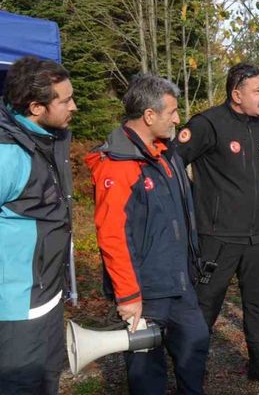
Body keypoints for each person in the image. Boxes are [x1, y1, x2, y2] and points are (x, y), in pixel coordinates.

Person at [86, 74, 209, 394]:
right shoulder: (118, 165)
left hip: (180, 285)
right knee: (146, 374)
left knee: (195, 348)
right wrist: (127, 295)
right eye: (172, 112)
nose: (178, 119)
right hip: (144, 293)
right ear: (149, 115)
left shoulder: (165, 154)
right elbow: (111, 235)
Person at [176, 63, 259, 388]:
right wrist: (195, 205)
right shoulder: (208, 124)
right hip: (217, 237)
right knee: (205, 306)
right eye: (258, 91)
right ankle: (191, 369)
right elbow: (172, 164)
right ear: (236, 94)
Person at [0, 57, 76, 395]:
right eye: (65, 100)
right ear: (35, 107)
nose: (75, 105)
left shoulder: (47, 138)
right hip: (16, 309)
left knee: (47, 381)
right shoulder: (8, 154)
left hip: (47, 298)